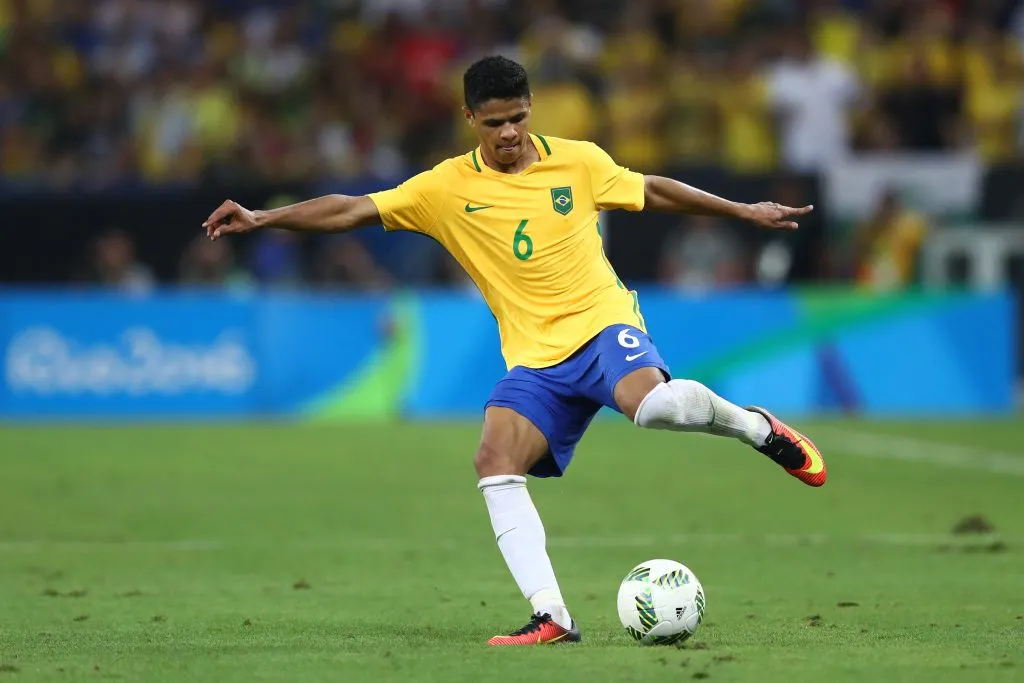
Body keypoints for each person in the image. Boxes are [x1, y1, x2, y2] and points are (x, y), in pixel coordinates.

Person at [202, 56, 826, 647]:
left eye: (518, 118)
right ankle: (550, 615)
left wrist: (741, 209)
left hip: (602, 327)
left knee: (655, 408)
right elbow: (351, 209)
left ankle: (755, 427)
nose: (509, 133)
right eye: (495, 122)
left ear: (532, 110)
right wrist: (263, 218)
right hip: (535, 360)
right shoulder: (444, 187)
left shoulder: (578, 163)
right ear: (470, 119)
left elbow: (653, 190)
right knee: (493, 459)